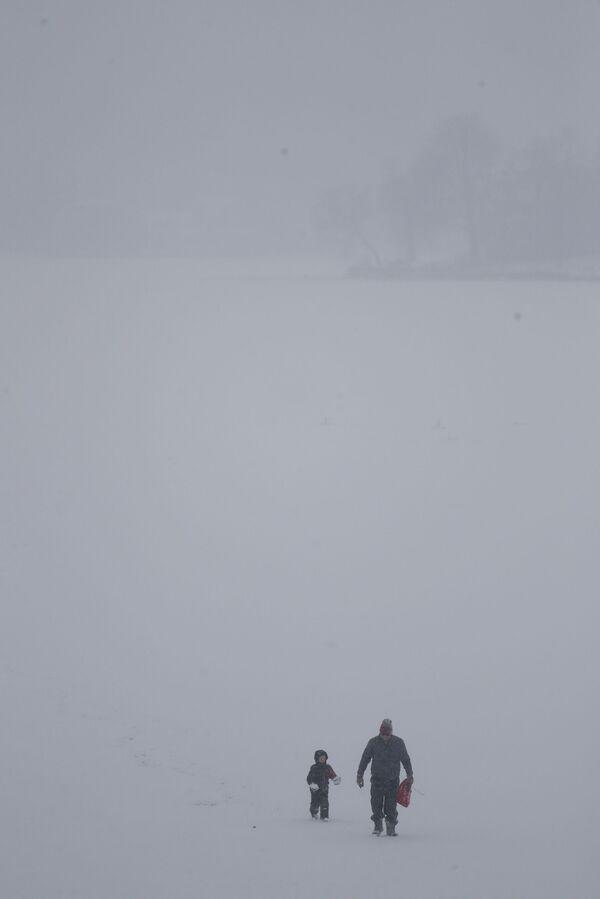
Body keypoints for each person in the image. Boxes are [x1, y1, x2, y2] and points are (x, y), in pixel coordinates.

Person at [356, 719, 413, 836]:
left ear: (391, 732)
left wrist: (410, 774)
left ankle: (391, 825)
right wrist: (359, 774)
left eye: (387, 734)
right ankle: (378, 824)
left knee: (391, 805)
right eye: (383, 734)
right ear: (380, 732)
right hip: (377, 779)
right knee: (376, 803)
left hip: (392, 780)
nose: (385, 737)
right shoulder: (373, 742)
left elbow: (406, 759)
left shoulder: (399, 742)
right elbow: (365, 758)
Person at [306, 749, 341, 820]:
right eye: (321, 758)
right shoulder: (314, 768)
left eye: (324, 758)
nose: (323, 760)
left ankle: (324, 816)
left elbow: (332, 774)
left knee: (325, 803)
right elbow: (309, 778)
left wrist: (335, 778)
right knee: (315, 803)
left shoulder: (327, 767)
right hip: (315, 790)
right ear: (317, 759)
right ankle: (314, 813)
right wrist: (312, 784)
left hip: (324, 789)